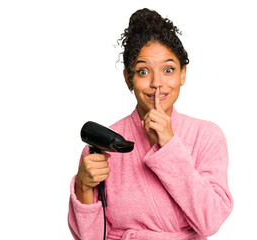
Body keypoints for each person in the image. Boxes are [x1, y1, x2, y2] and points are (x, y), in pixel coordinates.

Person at [68, 8, 233, 240]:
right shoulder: (104, 142)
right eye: (144, 71)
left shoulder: (206, 136)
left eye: (168, 70)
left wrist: (169, 144)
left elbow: (211, 220)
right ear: (128, 79)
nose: (157, 83)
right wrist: (83, 186)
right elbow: (91, 238)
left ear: (183, 74)